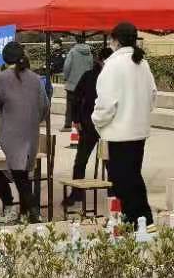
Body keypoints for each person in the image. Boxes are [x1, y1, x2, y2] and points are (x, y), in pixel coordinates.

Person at [92, 23, 157, 230]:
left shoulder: (113, 65)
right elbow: (153, 95)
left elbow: (105, 104)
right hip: (139, 130)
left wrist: (97, 120)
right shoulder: (142, 63)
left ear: (116, 40)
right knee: (132, 176)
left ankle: (142, 219)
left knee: (123, 180)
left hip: (118, 133)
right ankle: (136, 219)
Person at [0, 42, 49, 224]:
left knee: (20, 177)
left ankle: (34, 213)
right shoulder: (36, 79)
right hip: (31, 133)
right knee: (22, 175)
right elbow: (45, 106)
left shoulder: (1, 78)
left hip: (11, 135)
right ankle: (25, 214)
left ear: (5, 59)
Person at [62, 47, 113, 208]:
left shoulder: (114, 77)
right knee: (82, 161)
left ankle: (113, 192)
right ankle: (77, 193)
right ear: (100, 60)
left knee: (109, 162)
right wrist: (76, 119)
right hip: (90, 124)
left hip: (106, 127)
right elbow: (76, 98)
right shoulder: (89, 76)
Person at [62, 36, 93, 131]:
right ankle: (83, 125)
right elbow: (91, 67)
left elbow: (67, 66)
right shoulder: (89, 53)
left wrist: (66, 77)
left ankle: (68, 125)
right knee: (84, 104)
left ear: (76, 41)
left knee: (70, 105)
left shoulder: (72, 52)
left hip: (72, 83)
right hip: (85, 84)